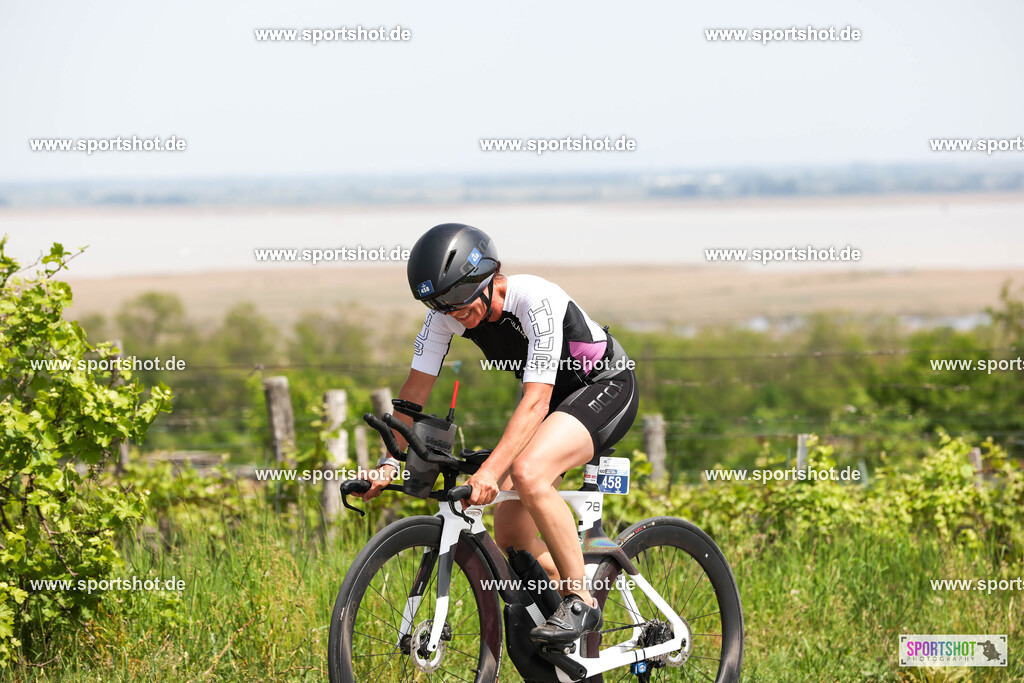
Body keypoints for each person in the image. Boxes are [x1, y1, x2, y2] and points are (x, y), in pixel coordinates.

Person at [358, 223, 638, 644]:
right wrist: (387, 463)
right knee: (513, 537)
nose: (451, 311)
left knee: (527, 473)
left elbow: (536, 402)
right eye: (437, 302)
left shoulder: (536, 300)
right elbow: (412, 396)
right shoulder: (443, 318)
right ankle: (576, 608)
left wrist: (489, 472)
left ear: (487, 277)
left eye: (456, 298)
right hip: (551, 403)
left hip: (604, 386)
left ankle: (581, 601)